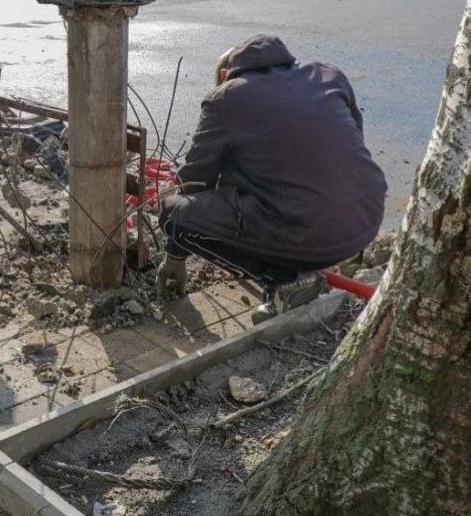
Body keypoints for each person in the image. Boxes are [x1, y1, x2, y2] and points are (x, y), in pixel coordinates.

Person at [155, 34, 386, 323]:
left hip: (313, 235)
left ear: (226, 75)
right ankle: (324, 262)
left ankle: (285, 281)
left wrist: (175, 256)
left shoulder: (226, 98)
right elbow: (350, 147)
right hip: (364, 219)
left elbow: (193, 184)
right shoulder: (329, 75)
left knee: (173, 214)